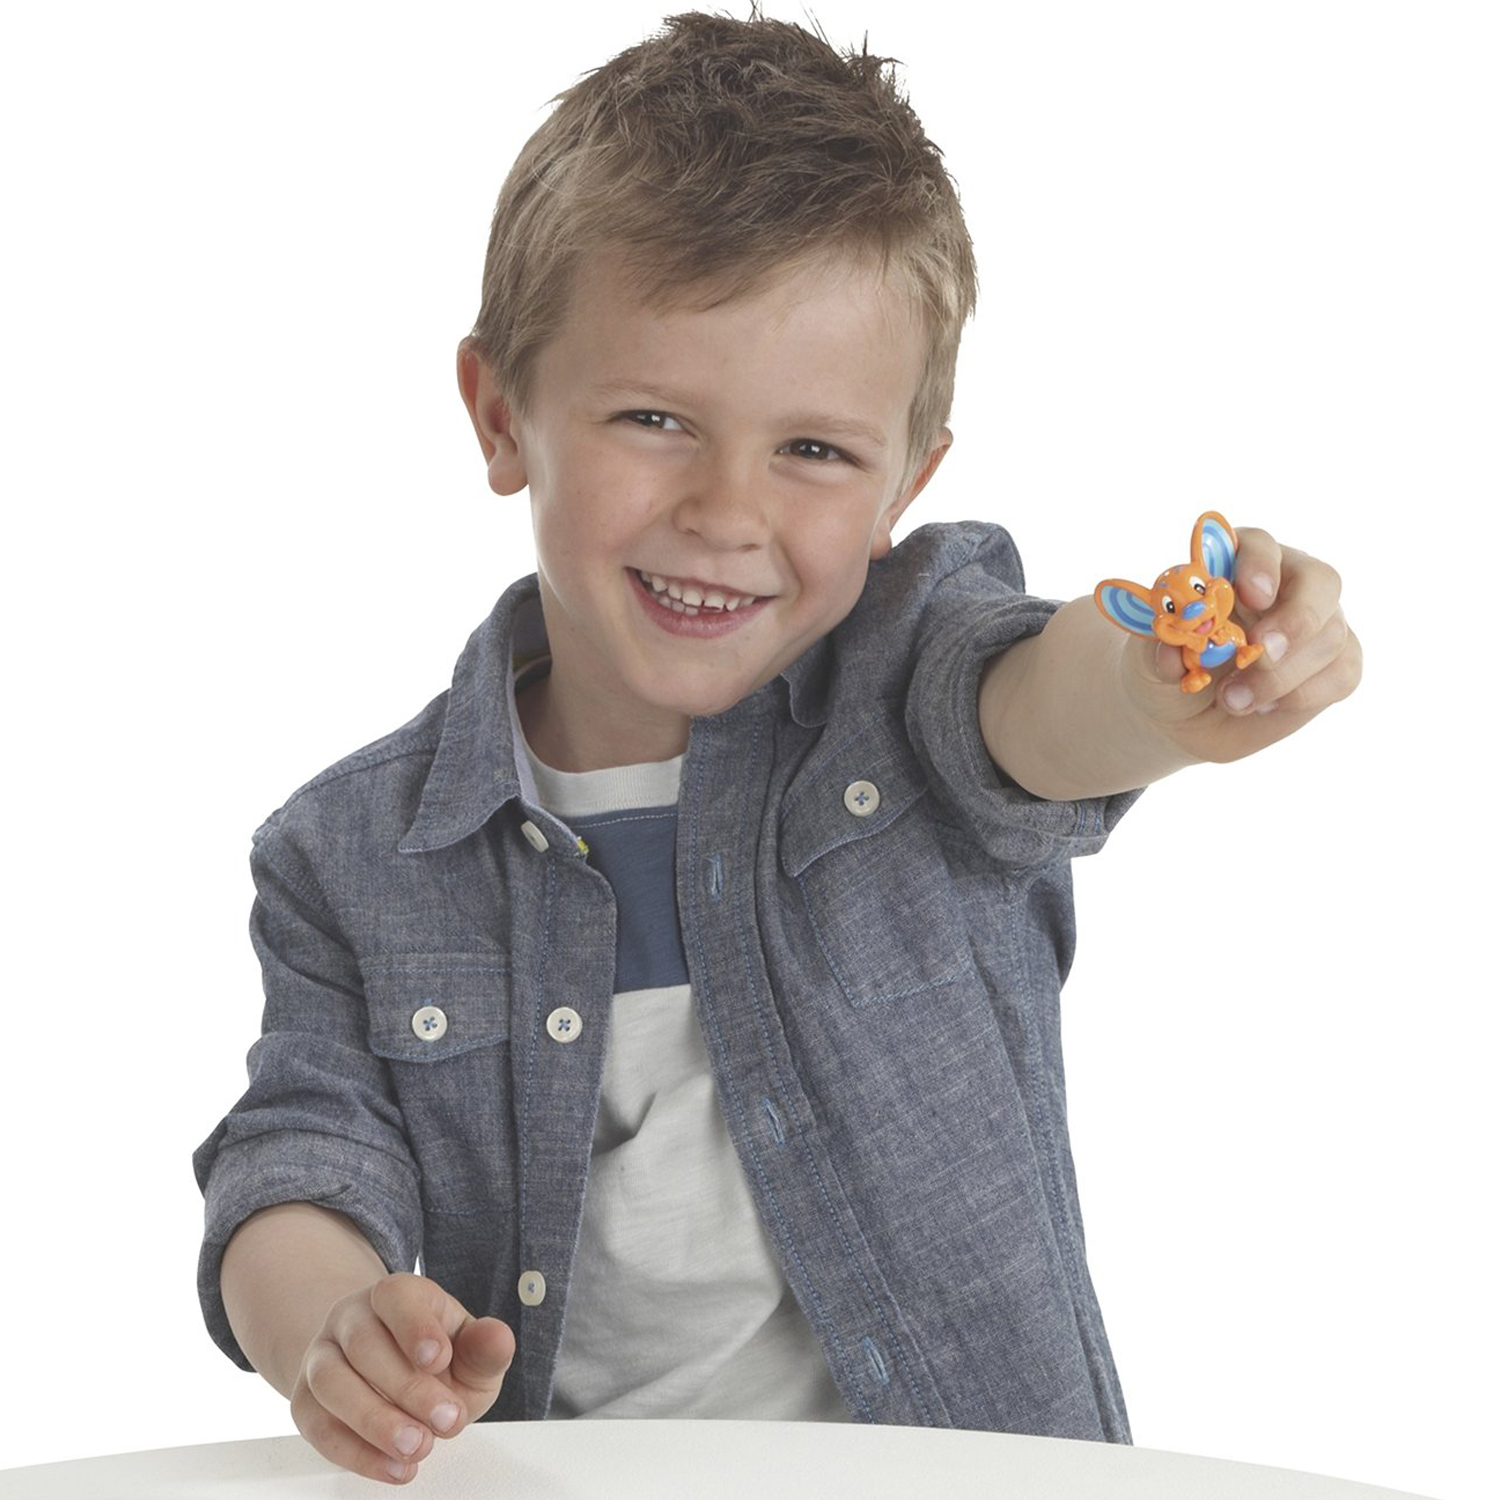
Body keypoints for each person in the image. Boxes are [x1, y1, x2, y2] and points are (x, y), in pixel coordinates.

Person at [193, 10, 1360, 1487]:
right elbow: (297, 1155)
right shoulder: (350, 856)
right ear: (502, 419)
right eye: (655, 418)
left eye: (814, 450)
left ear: (905, 482)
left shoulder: (906, 670)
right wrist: (331, 1324)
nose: (728, 512)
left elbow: (1029, 706)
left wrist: (1156, 688)